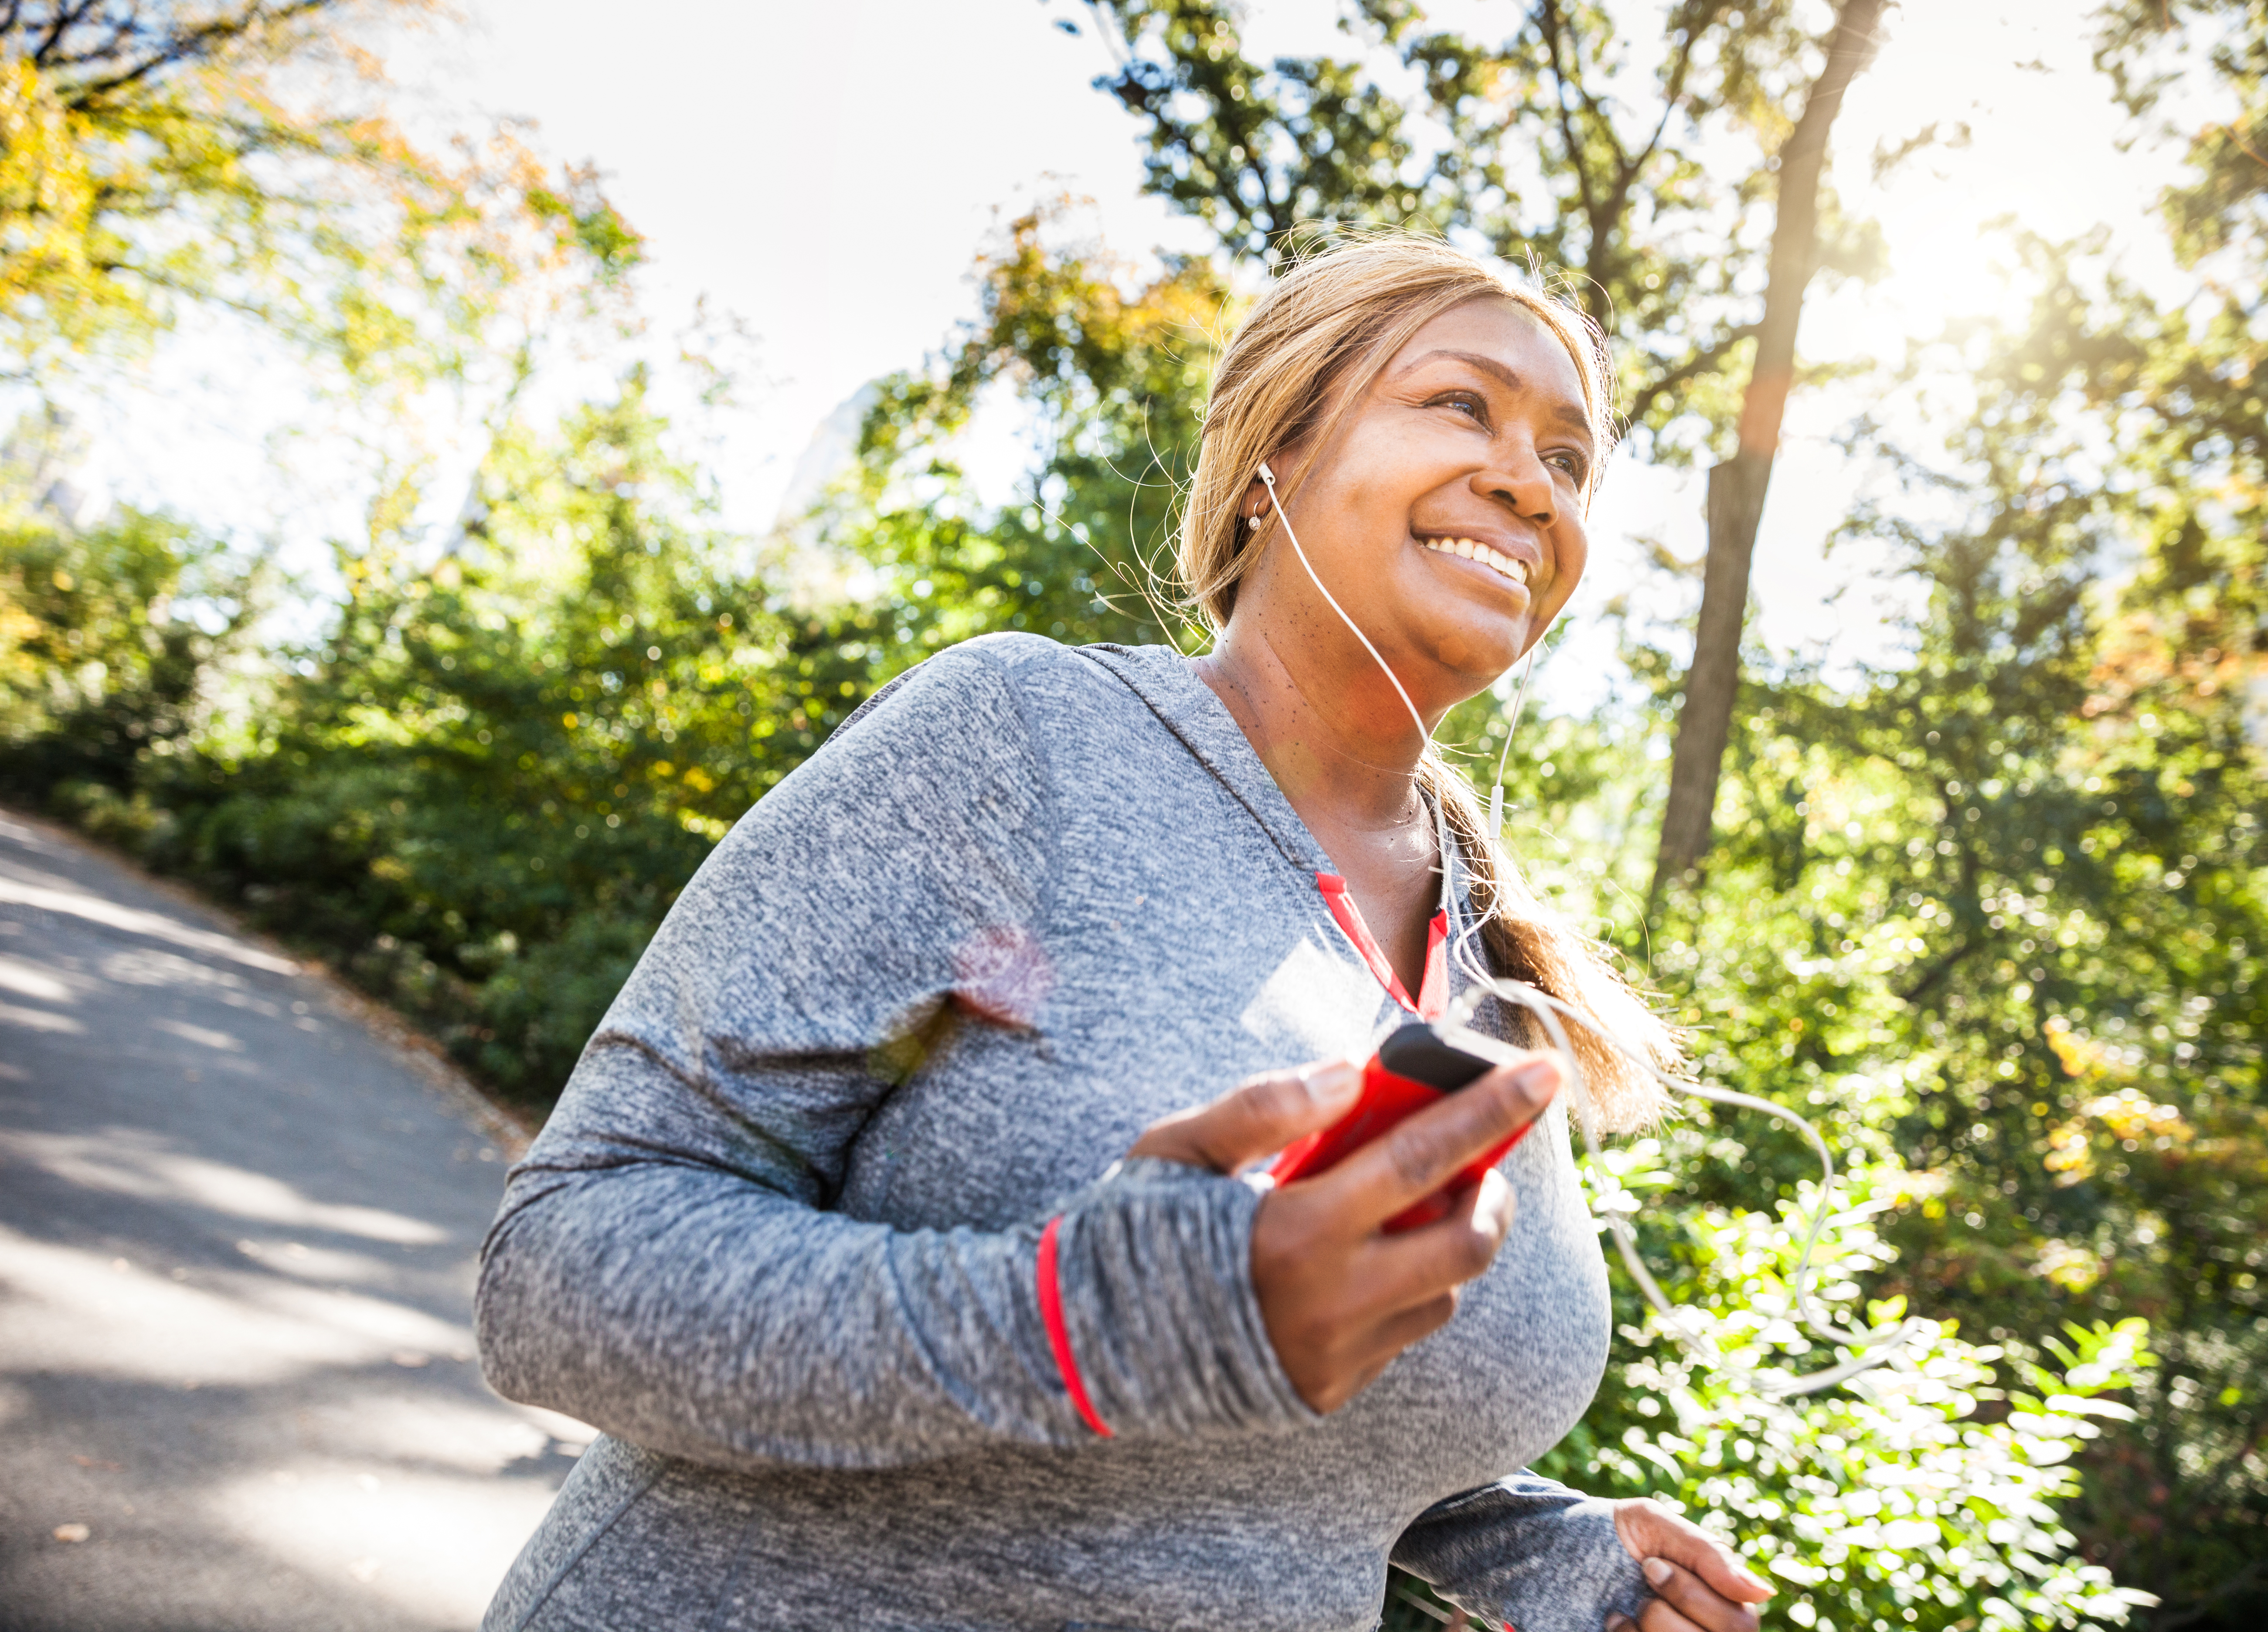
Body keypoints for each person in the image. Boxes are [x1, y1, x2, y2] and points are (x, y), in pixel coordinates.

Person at [473, 235, 1781, 1632]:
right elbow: (559, 1270)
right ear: (1272, 454)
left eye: (1572, 461)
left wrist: (1537, 1552)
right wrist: (1085, 1325)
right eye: (1460, 406)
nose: (1531, 482)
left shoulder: (1495, 979)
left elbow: (1269, 1384)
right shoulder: (1024, 738)